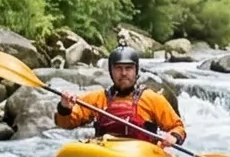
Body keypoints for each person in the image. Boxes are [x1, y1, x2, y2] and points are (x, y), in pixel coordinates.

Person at [55, 46, 186, 143]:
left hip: (141, 155)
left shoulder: (152, 99)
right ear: (111, 71)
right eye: (118, 68)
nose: (123, 73)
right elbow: (66, 123)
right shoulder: (97, 99)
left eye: (128, 68)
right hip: (105, 153)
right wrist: (64, 108)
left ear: (136, 71)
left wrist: (173, 137)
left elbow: (178, 127)